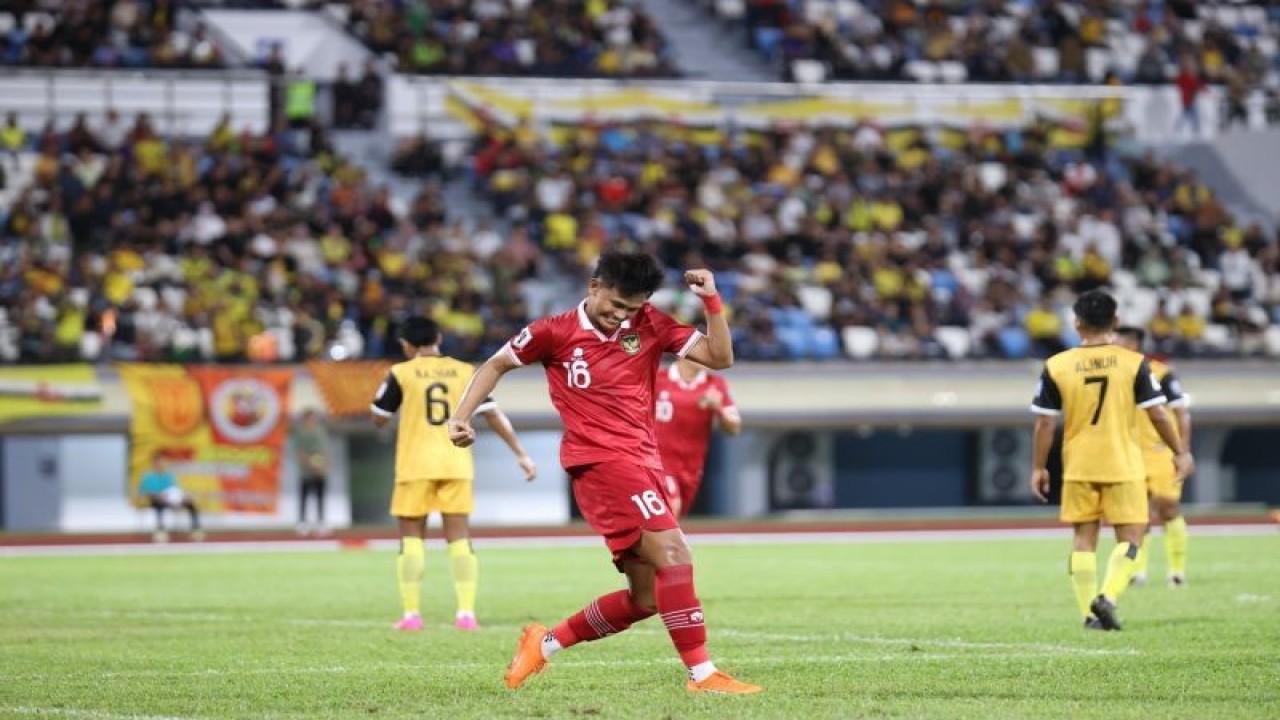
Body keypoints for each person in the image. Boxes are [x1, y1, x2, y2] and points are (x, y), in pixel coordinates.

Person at [447, 250, 760, 695]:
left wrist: (712, 301)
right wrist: (462, 415)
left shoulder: (650, 323)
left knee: (647, 598)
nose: (621, 316)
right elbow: (496, 364)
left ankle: (545, 643)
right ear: (595, 286)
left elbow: (720, 356)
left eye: (631, 309)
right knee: (675, 553)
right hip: (601, 462)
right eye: (615, 305)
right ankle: (703, 675)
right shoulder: (553, 332)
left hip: (644, 461)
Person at [1029, 290, 1194, 631]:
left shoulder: (1056, 365)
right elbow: (1159, 415)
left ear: (1076, 324)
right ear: (1115, 322)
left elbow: (1045, 422)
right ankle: (1108, 595)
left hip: (1078, 464)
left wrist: (1038, 467)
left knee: (1083, 539)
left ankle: (1088, 614)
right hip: (1123, 462)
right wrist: (1180, 451)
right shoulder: (1134, 363)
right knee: (1132, 537)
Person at [371, 316, 536, 632]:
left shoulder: (401, 372)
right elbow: (493, 415)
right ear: (439, 339)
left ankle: (411, 615)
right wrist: (521, 454)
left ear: (406, 344)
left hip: (414, 465)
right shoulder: (464, 371)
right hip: (455, 464)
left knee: (411, 540)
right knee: (459, 539)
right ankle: (465, 614)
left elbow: (379, 417)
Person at [1114, 326, 1193, 586]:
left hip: (1160, 453)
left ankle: (1177, 571)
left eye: (1120, 341)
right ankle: (1138, 572)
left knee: (1168, 508)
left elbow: (1181, 413)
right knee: (1138, 515)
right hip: (1129, 454)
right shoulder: (1113, 376)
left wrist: (1183, 451)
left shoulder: (1162, 374)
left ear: (1134, 344)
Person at [653, 357, 742, 517]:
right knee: (669, 511)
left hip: (692, 467)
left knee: (672, 519)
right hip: (658, 462)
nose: (708, 356)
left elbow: (733, 428)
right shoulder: (656, 378)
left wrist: (718, 408)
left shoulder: (716, 384)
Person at [138, 454, 203, 543]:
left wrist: (183, 497)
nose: (162, 464)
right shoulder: (148, 477)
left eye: (164, 462)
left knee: (190, 504)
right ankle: (160, 530)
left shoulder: (169, 476)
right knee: (159, 505)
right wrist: (158, 495)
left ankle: (196, 529)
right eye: (160, 462)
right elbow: (144, 492)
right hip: (156, 500)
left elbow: (175, 490)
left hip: (170, 500)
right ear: (154, 463)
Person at [293, 408, 330, 537]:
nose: (312, 420)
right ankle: (303, 522)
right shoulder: (300, 433)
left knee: (320, 497)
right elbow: (300, 452)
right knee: (304, 497)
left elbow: (324, 450)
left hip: (319, 471)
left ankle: (321, 522)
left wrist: (323, 466)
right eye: (309, 418)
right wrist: (311, 464)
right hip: (306, 472)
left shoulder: (320, 431)